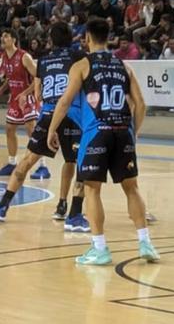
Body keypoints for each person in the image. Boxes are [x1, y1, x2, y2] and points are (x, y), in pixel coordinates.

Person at [48, 18, 159, 265]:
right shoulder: (123, 66)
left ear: (87, 37)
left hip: (96, 132)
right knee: (132, 188)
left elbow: (65, 101)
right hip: (123, 132)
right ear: (108, 37)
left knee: (92, 189)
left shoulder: (82, 65)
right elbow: (141, 104)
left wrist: (51, 130)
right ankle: (145, 243)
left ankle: (100, 249)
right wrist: (134, 131)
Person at [0, 22, 89, 231]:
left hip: (48, 114)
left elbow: (38, 94)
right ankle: (73, 214)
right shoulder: (78, 56)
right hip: (72, 115)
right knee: (77, 163)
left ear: (51, 40)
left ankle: (2, 205)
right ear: (71, 38)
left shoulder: (43, 60)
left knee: (27, 160)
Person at [0, 29, 41, 178]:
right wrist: (0, 90)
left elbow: (38, 77)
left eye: (6, 36)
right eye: (2, 36)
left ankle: (43, 167)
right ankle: (12, 163)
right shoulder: (4, 57)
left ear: (14, 40)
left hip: (27, 98)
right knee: (9, 129)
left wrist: (26, 93)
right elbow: (10, 78)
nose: (3, 39)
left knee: (32, 132)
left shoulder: (24, 56)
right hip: (15, 98)